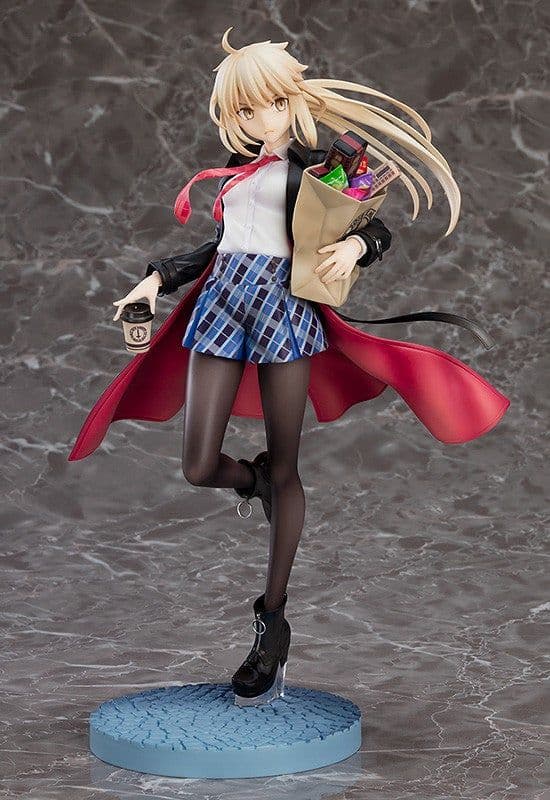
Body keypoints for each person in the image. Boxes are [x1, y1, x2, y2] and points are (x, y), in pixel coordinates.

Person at [68, 28, 510, 708]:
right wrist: (156, 279)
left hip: (283, 309)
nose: (259, 119)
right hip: (222, 303)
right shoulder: (236, 170)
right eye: (244, 109)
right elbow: (219, 246)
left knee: (287, 466)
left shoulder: (320, 169)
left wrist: (356, 247)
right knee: (198, 465)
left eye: (270, 103)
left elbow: (376, 226)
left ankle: (271, 621)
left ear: (293, 99)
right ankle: (252, 483)